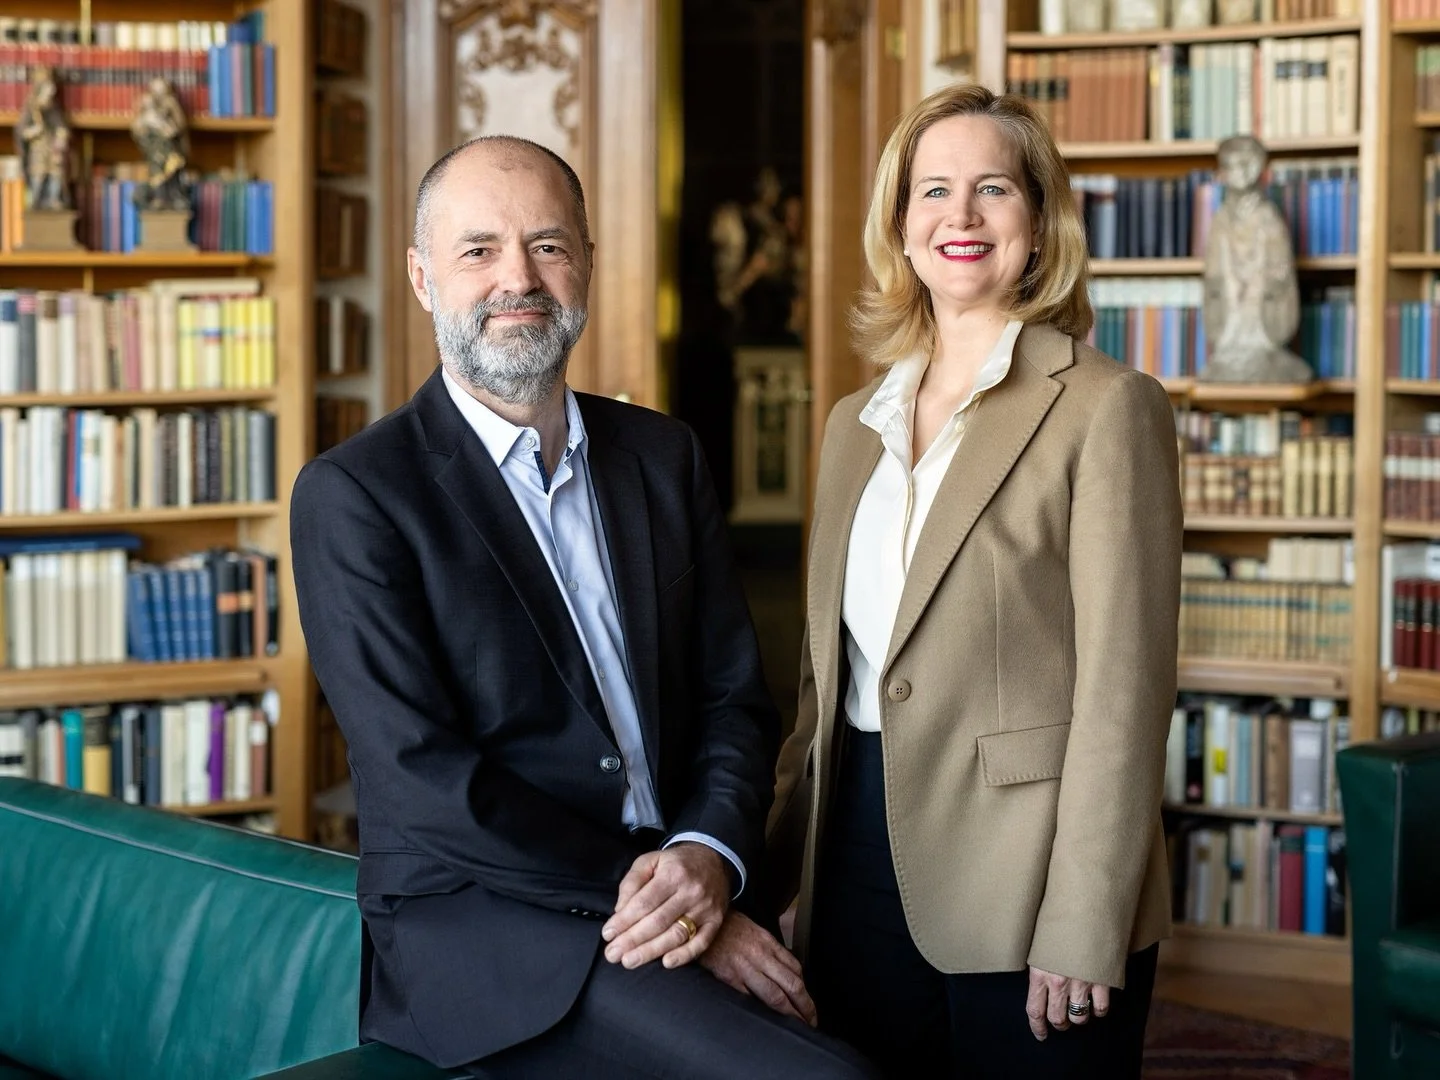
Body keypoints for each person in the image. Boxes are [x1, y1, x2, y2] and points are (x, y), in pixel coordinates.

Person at [290, 135, 877, 1078]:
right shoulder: (357, 495)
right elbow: (421, 780)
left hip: (682, 872)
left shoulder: (662, 456)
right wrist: (675, 905)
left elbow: (737, 702)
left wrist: (709, 854)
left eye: (549, 245)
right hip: (494, 931)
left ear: (588, 265)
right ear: (421, 276)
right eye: (478, 250)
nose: (517, 278)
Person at [766, 83, 1183, 1078]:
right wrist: (786, 869)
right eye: (933, 191)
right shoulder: (848, 424)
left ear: (1038, 226)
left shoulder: (1105, 407)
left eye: (993, 189)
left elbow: (1125, 691)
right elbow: (827, 683)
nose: (960, 216)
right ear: (900, 226)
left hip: (1029, 868)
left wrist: (1085, 917)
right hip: (853, 848)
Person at [1201, 134, 1311, 384]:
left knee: (1257, 295)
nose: (1234, 173)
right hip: (1231, 301)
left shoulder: (1267, 217)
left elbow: (1280, 267)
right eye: (1227, 166)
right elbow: (1214, 269)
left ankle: (1258, 349)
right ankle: (1234, 351)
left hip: (1259, 300)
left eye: (1242, 165)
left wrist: (1266, 279)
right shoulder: (1221, 218)